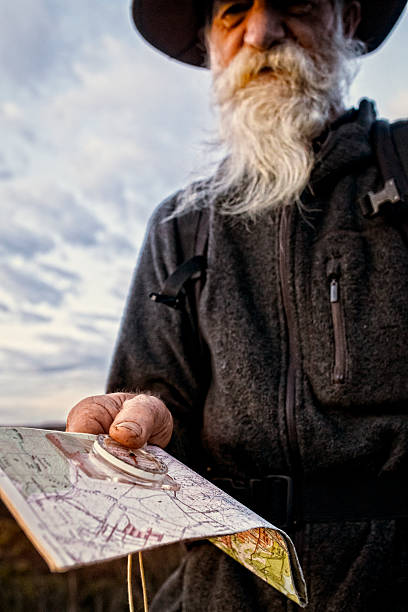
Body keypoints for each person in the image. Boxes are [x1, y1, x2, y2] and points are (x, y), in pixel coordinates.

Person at [67, 1, 408, 610]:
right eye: (230, 12)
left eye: (295, 2)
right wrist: (144, 424)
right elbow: (149, 397)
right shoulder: (180, 227)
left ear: (347, 18)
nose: (261, 32)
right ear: (212, 43)